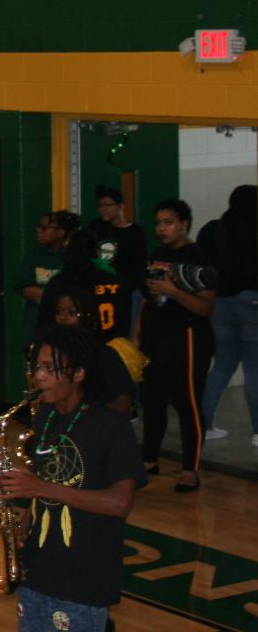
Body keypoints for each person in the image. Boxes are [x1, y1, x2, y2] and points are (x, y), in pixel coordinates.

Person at [2, 326, 142, 632]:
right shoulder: (45, 418)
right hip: (37, 574)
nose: (39, 376)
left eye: (50, 369)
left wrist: (40, 486)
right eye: (37, 367)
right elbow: (44, 490)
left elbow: (120, 503)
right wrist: (20, 532)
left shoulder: (112, 426)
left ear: (79, 373)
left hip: (83, 582)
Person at [139, 198, 217, 491]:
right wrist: (137, 335)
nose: (162, 228)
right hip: (155, 338)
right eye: (158, 223)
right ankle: (149, 458)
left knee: (187, 404)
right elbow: (148, 299)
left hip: (188, 339)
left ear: (184, 224)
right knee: (152, 400)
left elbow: (205, 308)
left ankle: (190, 469)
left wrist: (173, 290)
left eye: (168, 222)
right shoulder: (156, 254)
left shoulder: (200, 259)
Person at [198, 185, 258, 445]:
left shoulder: (214, 229)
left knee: (222, 366)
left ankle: (203, 425)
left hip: (219, 304)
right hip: (252, 302)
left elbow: (201, 267)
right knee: (254, 370)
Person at [38, 229, 130, 340]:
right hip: (109, 347)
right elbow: (125, 323)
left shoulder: (58, 283)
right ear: (96, 252)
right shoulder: (116, 281)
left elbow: (44, 323)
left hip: (71, 347)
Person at [86, 185, 149, 326]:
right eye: (100, 206)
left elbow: (139, 267)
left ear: (121, 206)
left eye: (107, 205)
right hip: (99, 290)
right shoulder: (95, 227)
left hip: (126, 292)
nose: (103, 209)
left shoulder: (135, 232)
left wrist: (126, 288)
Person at [16, 210, 77, 345]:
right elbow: (23, 287)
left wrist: (47, 296)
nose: (39, 231)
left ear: (60, 233)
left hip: (64, 330)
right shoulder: (34, 254)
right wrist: (55, 297)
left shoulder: (72, 257)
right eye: (39, 227)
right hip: (35, 327)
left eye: (44, 228)